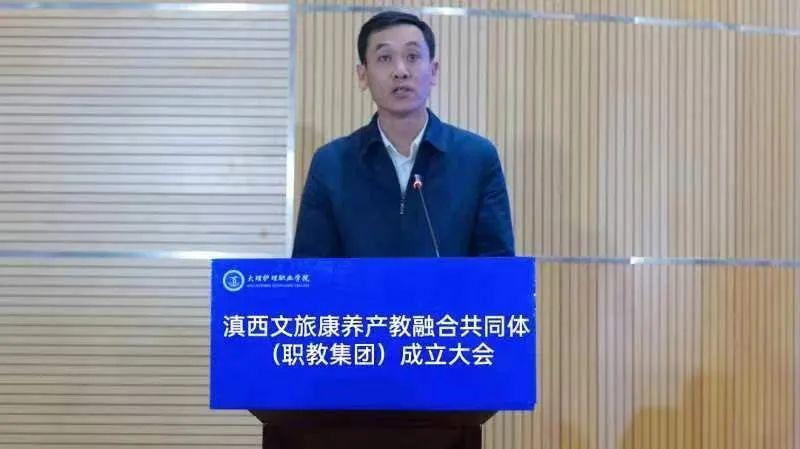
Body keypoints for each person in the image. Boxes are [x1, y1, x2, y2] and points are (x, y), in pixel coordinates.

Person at [292, 10, 514, 258]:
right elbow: (310, 269)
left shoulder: (476, 159)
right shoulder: (331, 164)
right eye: (385, 58)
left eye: (412, 56)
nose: (400, 71)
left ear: (434, 71)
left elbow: (498, 266)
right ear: (363, 75)